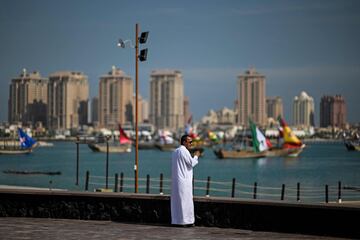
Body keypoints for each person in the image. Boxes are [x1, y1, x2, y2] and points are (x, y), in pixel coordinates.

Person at [171, 134, 201, 227]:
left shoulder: (175, 151)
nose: (191, 144)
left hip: (177, 181)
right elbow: (191, 163)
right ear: (184, 142)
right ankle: (185, 221)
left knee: (177, 202)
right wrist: (196, 156)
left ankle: (177, 220)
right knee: (185, 201)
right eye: (190, 142)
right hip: (184, 181)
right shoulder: (184, 151)